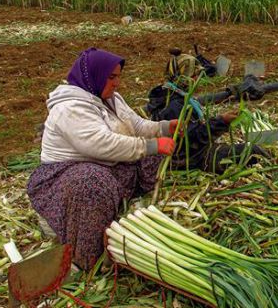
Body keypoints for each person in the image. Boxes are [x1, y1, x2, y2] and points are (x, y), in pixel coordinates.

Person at [26, 48, 179, 270]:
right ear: (95, 75)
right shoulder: (69, 108)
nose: (117, 83)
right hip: (69, 175)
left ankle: (117, 205)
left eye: (118, 76)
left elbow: (136, 125)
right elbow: (102, 144)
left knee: (152, 155)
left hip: (106, 165)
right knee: (93, 183)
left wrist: (163, 128)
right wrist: (152, 145)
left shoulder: (111, 99)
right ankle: (86, 255)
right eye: (111, 77)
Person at [147, 49, 269, 173]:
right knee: (251, 151)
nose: (196, 80)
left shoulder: (169, 95)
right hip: (191, 160)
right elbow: (193, 138)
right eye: (193, 76)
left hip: (193, 154)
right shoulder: (174, 105)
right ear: (183, 76)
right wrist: (221, 121)